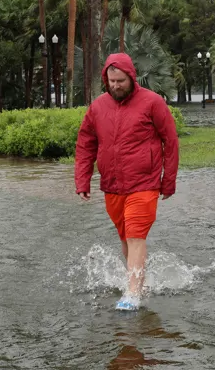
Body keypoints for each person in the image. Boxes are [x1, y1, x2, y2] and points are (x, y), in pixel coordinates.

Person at [75, 53, 179, 311]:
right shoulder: (98, 107)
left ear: (132, 77)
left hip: (144, 183)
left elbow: (170, 141)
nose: (116, 85)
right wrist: (82, 180)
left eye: (120, 81)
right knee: (125, 237)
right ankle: (139, 281)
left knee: (135, 235)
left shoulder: (152, 102)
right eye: (111, 81)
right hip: (112, 185)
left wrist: (168, 180)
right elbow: (86, 144)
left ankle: (133, 293)